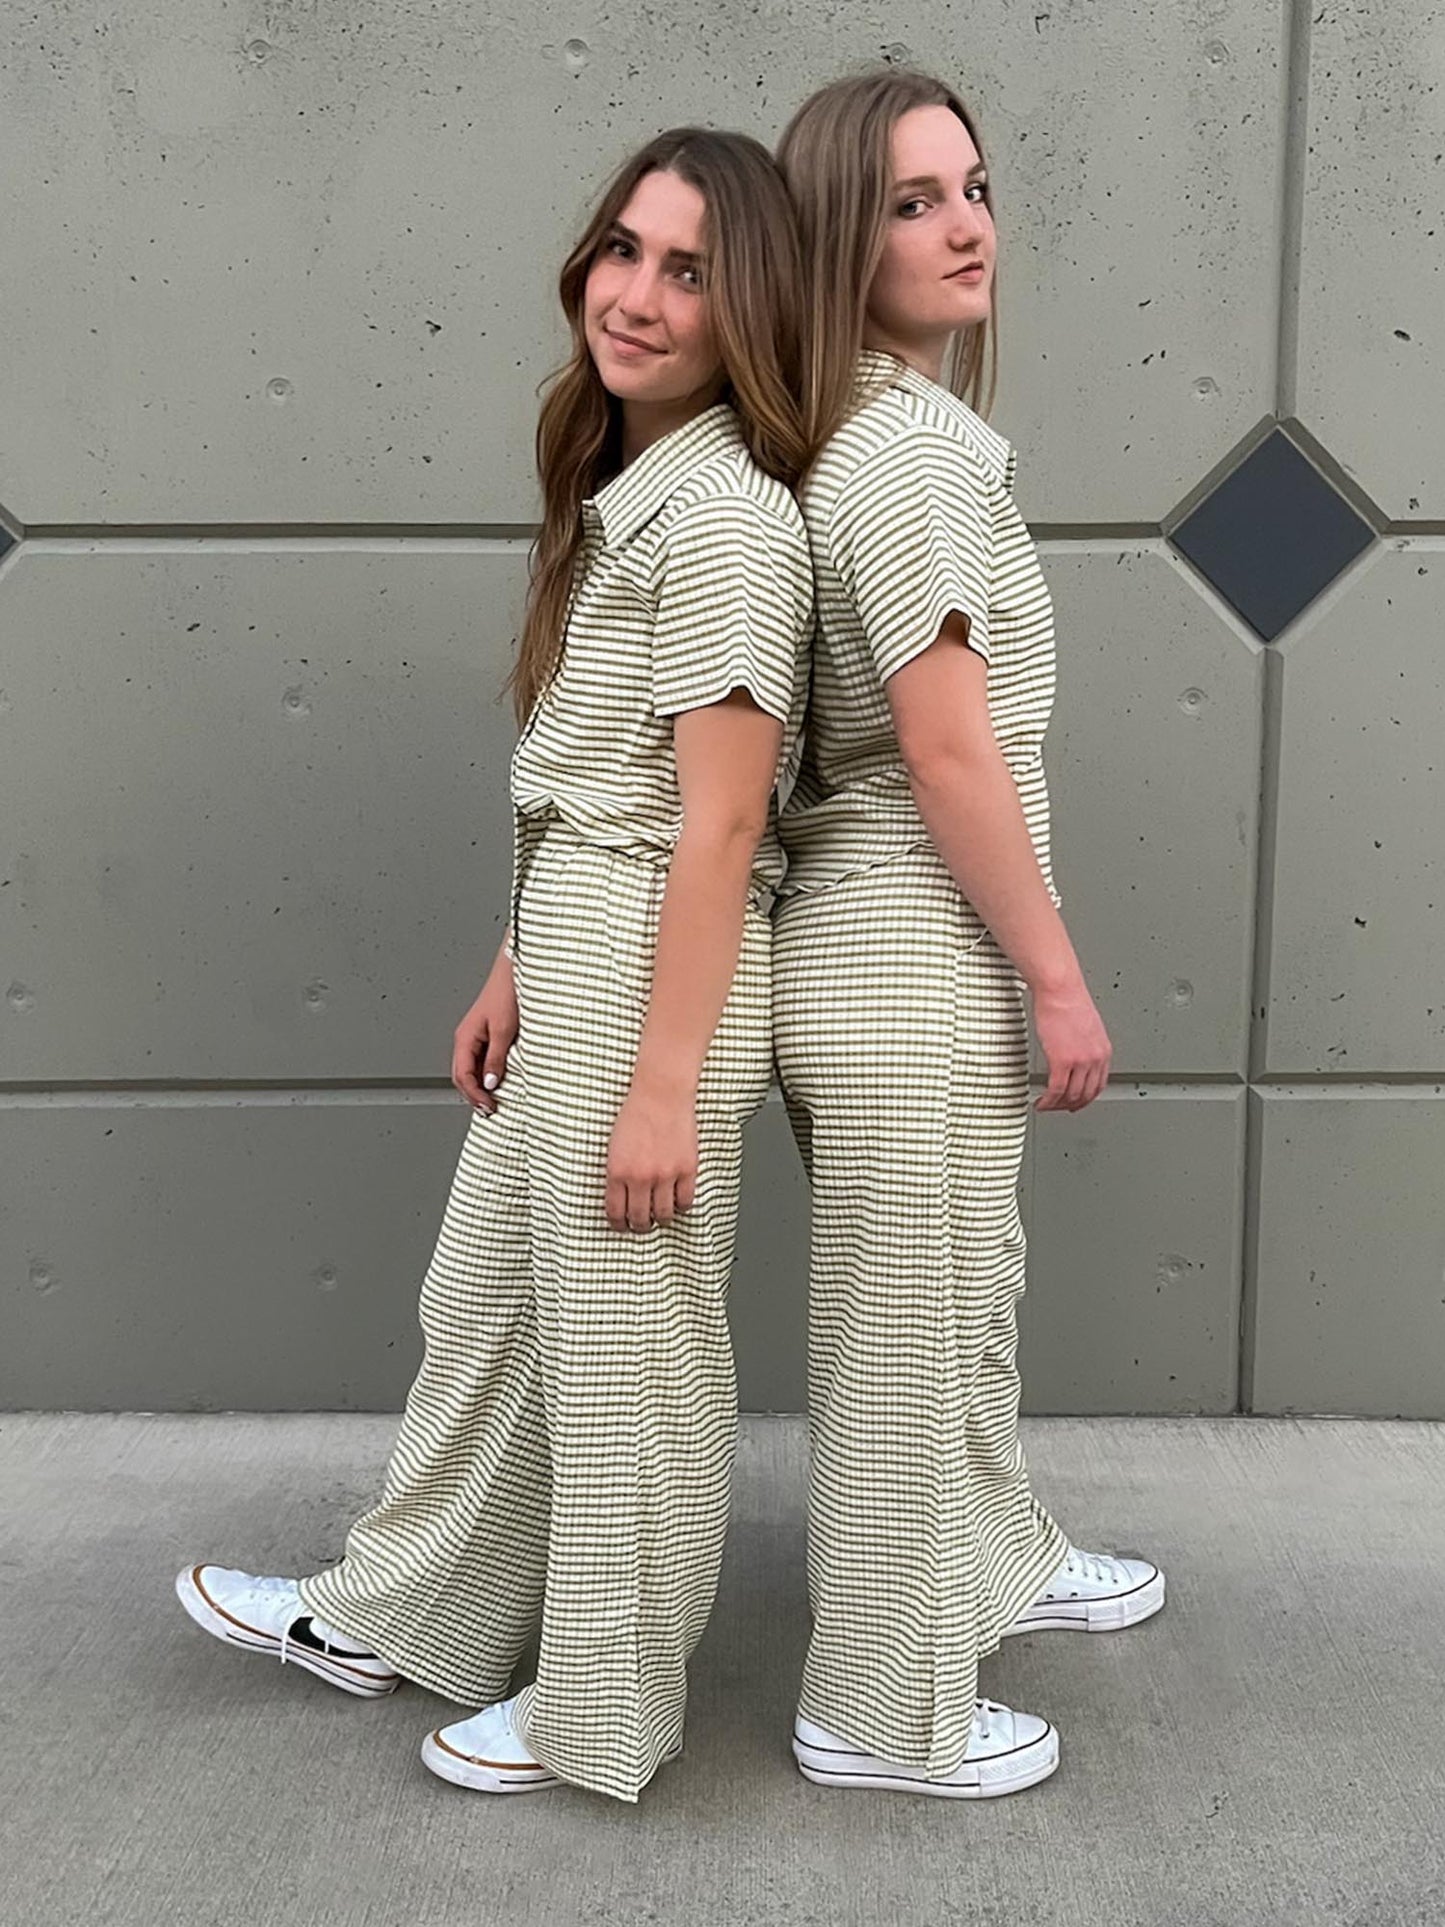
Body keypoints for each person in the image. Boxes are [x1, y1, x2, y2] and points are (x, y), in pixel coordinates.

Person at [175, 127, 813, 1806]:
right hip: (585, 944)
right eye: (623, 250)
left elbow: (719, 825)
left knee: (628, 1359)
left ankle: (602, 1708)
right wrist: (514, 959)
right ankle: (406, 1614)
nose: (638, 295)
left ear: (747, 304)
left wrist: (664, 1081)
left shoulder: (729, 521)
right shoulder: (623, 490)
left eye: (689, 270)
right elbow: (602, 784)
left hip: (649, 982)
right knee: (491, 1312)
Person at [771, 70, 1165, 1799]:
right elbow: (943, 744)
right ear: (835, 240)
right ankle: (881, 1709)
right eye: (914, 201)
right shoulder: (908, 452)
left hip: (883, 941)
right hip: (906, 951)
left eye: (974, 186)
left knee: (955, 1301)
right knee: (906, 1334)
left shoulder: (869, 433)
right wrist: (1054, 973)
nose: (965, 224)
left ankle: (991, 1562)